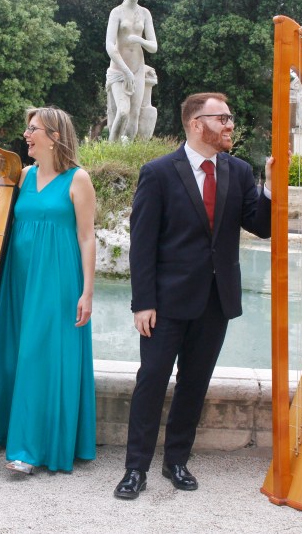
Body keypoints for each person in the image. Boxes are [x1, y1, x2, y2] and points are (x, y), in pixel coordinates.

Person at [114, 92, 272, 499]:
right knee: (151, 380)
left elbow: (262, 225)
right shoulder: (158, 172)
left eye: (230, 118)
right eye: (222, 118)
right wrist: (142, 302)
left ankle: (176, 462)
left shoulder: (239, 172)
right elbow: (142, 244)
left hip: (216, 300)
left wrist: (270, 187)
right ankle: (135, 469)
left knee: (194, 383)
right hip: (166, 302)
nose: (230, 125)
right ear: (196, 123)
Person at [0, 106, 97, 475]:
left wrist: (88, 291)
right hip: (17, 277)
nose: (26, 135)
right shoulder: (21, 176)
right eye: (28, 128)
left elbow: (87, 237)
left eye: (34, 129)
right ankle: (3, 430)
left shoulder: (78, 179)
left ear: (55, 136)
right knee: (11, 350)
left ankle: (28, 449)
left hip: (57, 277)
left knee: (38, 354)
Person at [106, 0, 158, 142]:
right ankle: (111, 149)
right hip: (119, 69)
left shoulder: (145, 13)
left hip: (138, 69)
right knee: (123, 111)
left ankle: (127, 150)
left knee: (134, 114)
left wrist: (139, 40)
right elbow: (110, 46)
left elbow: (153, 47)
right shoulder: (117, 12)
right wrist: (126, 71)